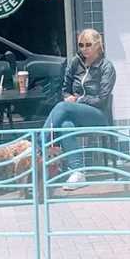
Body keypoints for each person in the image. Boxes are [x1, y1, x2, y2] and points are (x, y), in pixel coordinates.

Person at [44, 29, 116, 189]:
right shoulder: (76, 63)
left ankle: (37, 147)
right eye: (81, 45)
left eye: (88, 45)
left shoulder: (106, 67)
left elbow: (102, 99)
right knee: (65, 125)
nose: (84, 48)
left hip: (98, 115)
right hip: (76, 113)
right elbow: (65, 88)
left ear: (98, 45)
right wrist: (68, 96)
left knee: (62, 107)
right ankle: (77, 172)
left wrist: (78, 100)